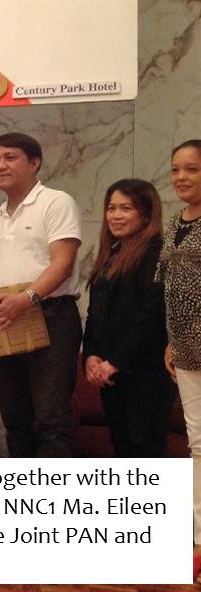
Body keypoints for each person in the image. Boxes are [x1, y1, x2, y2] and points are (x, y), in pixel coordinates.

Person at [0, 132, 82, 457]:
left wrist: (25, 299)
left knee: (50, 420)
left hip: (51, 317)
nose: (1, 166)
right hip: (7, 321)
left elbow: (63, 263)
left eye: (10, 158)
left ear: (35, 163)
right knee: (15, 420)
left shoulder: (55, 202)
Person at [83, 178, 172, 457]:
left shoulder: (158, 253)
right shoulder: (111, 254)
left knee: (144, 450)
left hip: (145, 372)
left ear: (146, 214)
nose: (116, 215)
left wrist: (115, 362)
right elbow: (95, 313)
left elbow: (152, 317)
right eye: (111, 208)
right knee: (122, 448)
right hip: (111, 373)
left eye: (126, 208)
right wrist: (91, 355)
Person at [157, 140, 201, 572]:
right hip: (186, 349)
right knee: (198, 443)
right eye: (175, 169)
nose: (181, 177)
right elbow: (170, 288)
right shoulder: (175, 222)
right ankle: (198, 537)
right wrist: (172, 339)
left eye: (192, 169)